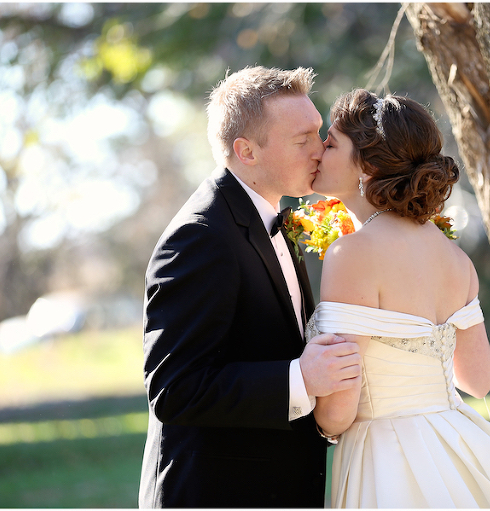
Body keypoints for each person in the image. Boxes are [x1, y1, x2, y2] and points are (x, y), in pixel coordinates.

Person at [306, 88, 490, 508]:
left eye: (331, 144)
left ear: (368, 166)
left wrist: (314, 419)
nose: (319, 152)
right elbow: (478, 380)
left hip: (386, 458)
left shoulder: (352, 253)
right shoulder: (455, 258)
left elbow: (338, 411)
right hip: (455, 440)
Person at [138, 66, 362, 508]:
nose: (320, 148)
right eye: (302, 139)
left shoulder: (272, 218)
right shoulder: (200, 236)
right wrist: (300, 378)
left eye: (318, 133)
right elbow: (174, 389)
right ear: (246, 151)